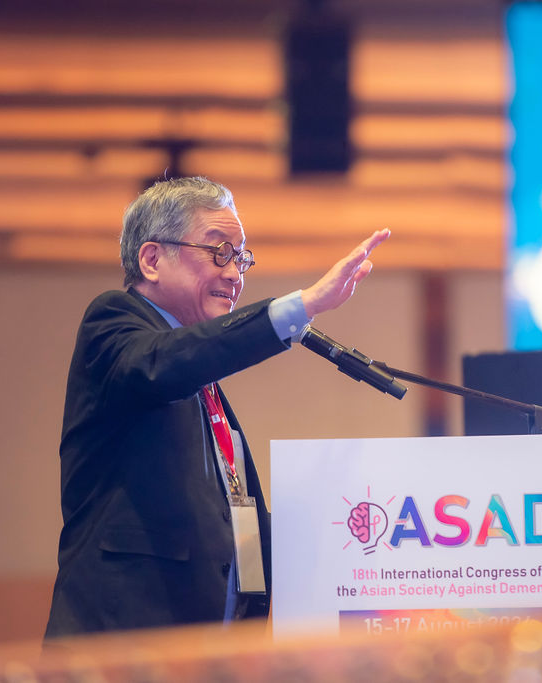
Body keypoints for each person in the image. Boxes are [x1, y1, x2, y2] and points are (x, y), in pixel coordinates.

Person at [44, 176, 388, 637]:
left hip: (209, 648)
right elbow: (167, 364)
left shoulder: (200, 377)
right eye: (220, 252)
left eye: (240, 257)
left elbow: (225, 514)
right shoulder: (114, 323)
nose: (234, 274)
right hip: (121, 646)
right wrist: (302, 306)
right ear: (152, 260)